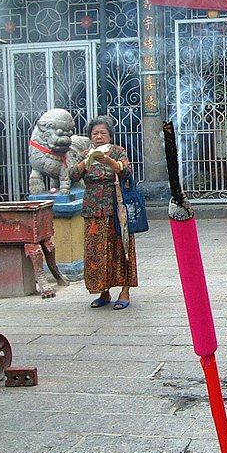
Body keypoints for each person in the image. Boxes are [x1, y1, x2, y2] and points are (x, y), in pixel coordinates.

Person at [69, 116, 138, 310]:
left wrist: (107, 160)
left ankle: (125, 291)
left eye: (103, 133)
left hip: (116, 208)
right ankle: (103, 291)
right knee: (96, 251)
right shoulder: (84, 153)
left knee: (121, 248)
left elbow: (126, 172)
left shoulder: (118, 151)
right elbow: (73, 175)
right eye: (95, 134)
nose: (99, 137)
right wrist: (86, 161)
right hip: (92, 209)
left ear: (110, 135)